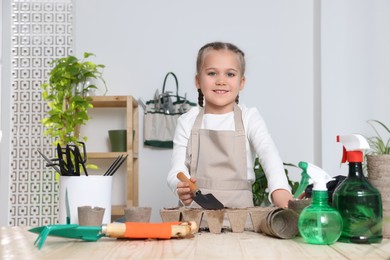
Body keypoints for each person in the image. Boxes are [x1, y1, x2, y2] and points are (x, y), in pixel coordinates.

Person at [167, 41, 292, 209]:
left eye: (230, 74)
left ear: (241, 82)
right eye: (212, 73)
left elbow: (268, 153)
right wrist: (179, 187)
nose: (221, 81)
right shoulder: (187, 121)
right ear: (198, 81)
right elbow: (177, 169)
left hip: (241, 222)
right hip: (195, 221)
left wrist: (279, 189)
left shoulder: (249, 118)